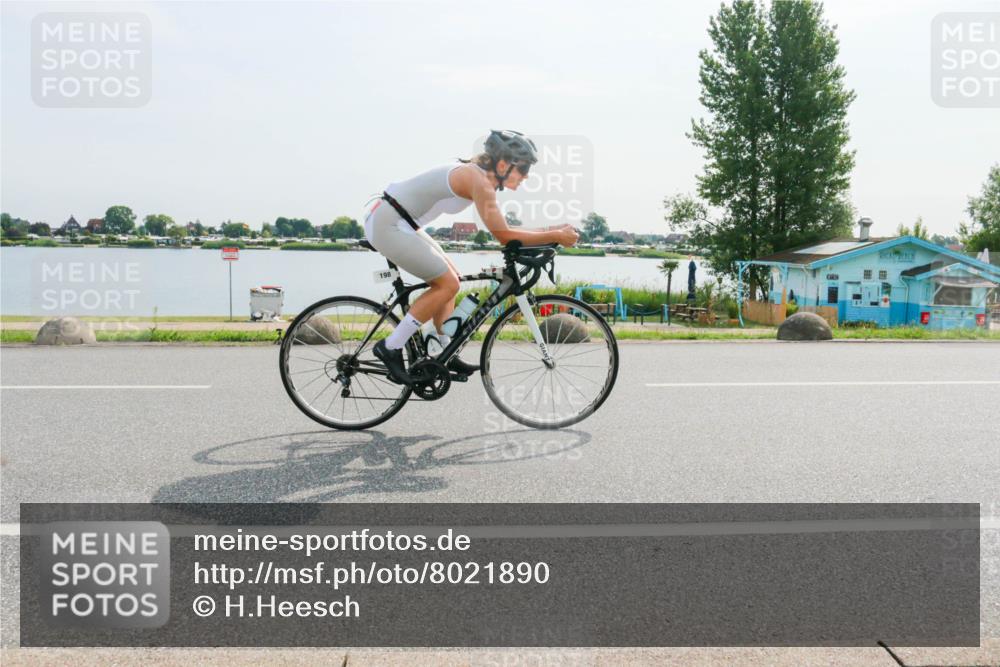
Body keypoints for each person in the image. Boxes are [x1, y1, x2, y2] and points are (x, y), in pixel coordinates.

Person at [365, 130, 579, 384]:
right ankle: (390, 347)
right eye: (523, 168)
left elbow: (505, 229)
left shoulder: (479, 177)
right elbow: (504, 235)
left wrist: (552, 232)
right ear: (503, 164)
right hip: (389, 224)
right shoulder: (478, 181)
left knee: (451, 279)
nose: (526, 175)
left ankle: (442, 349)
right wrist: (554, 234)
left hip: (400, 221)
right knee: (447, 284)